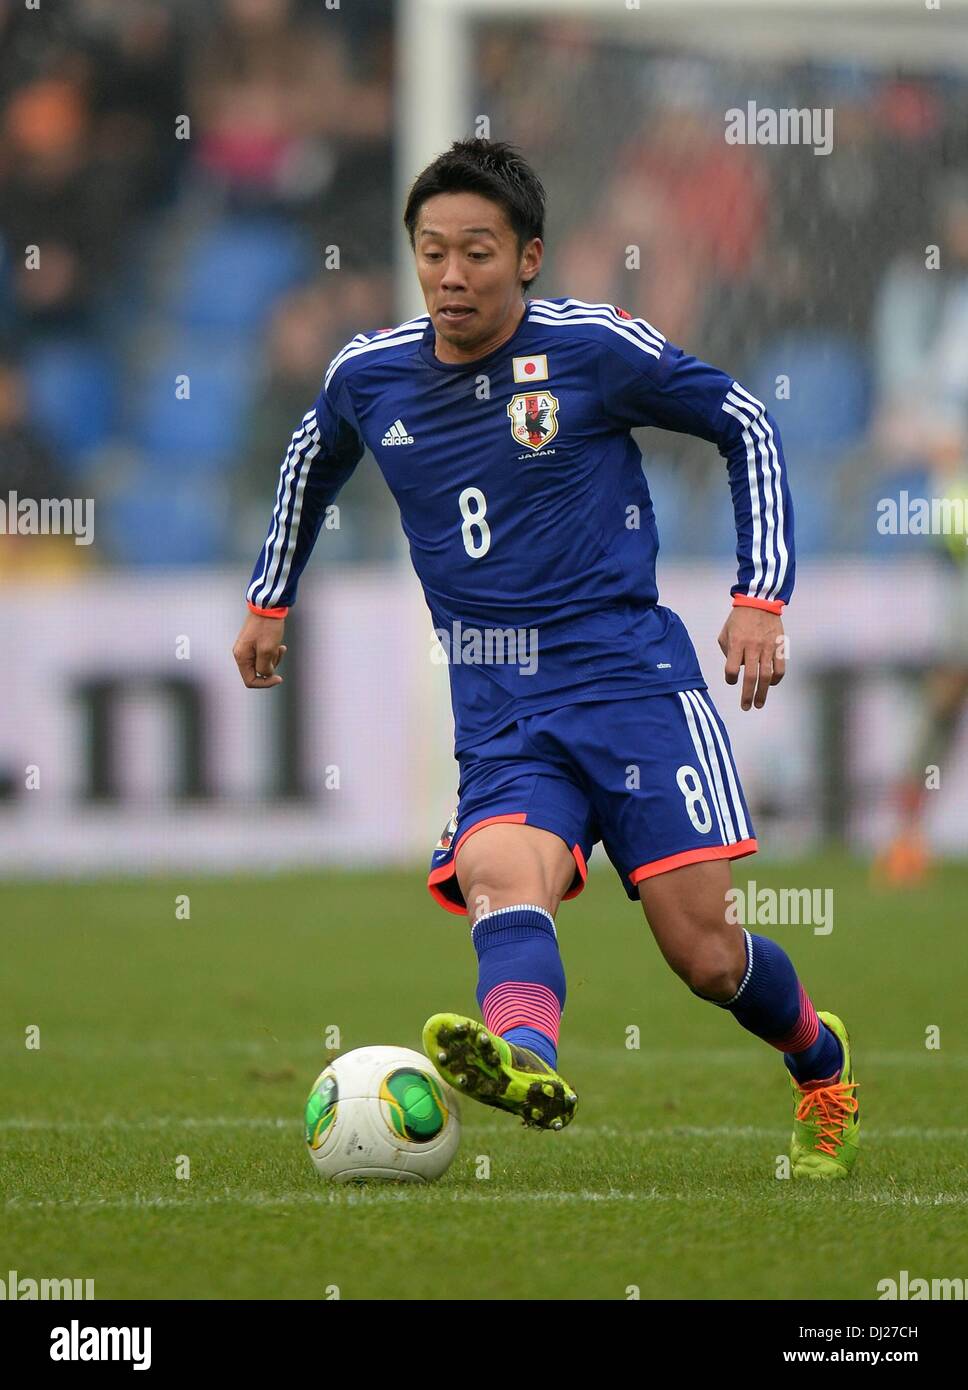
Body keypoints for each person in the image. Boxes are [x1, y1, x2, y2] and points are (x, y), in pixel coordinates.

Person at [233, 139, 859, 1179]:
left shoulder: (591, 349)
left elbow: (741, 420)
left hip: (630, 685)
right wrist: (267, 600)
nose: (449, 275)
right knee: (496, 870)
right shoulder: (369, 376)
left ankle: (821, 1065)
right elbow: (310, 459)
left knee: (702, 954)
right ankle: (523, 1059)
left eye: (475, 251)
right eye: (431, 251)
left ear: (527, 256)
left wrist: (759, 596)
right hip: (497, 704)